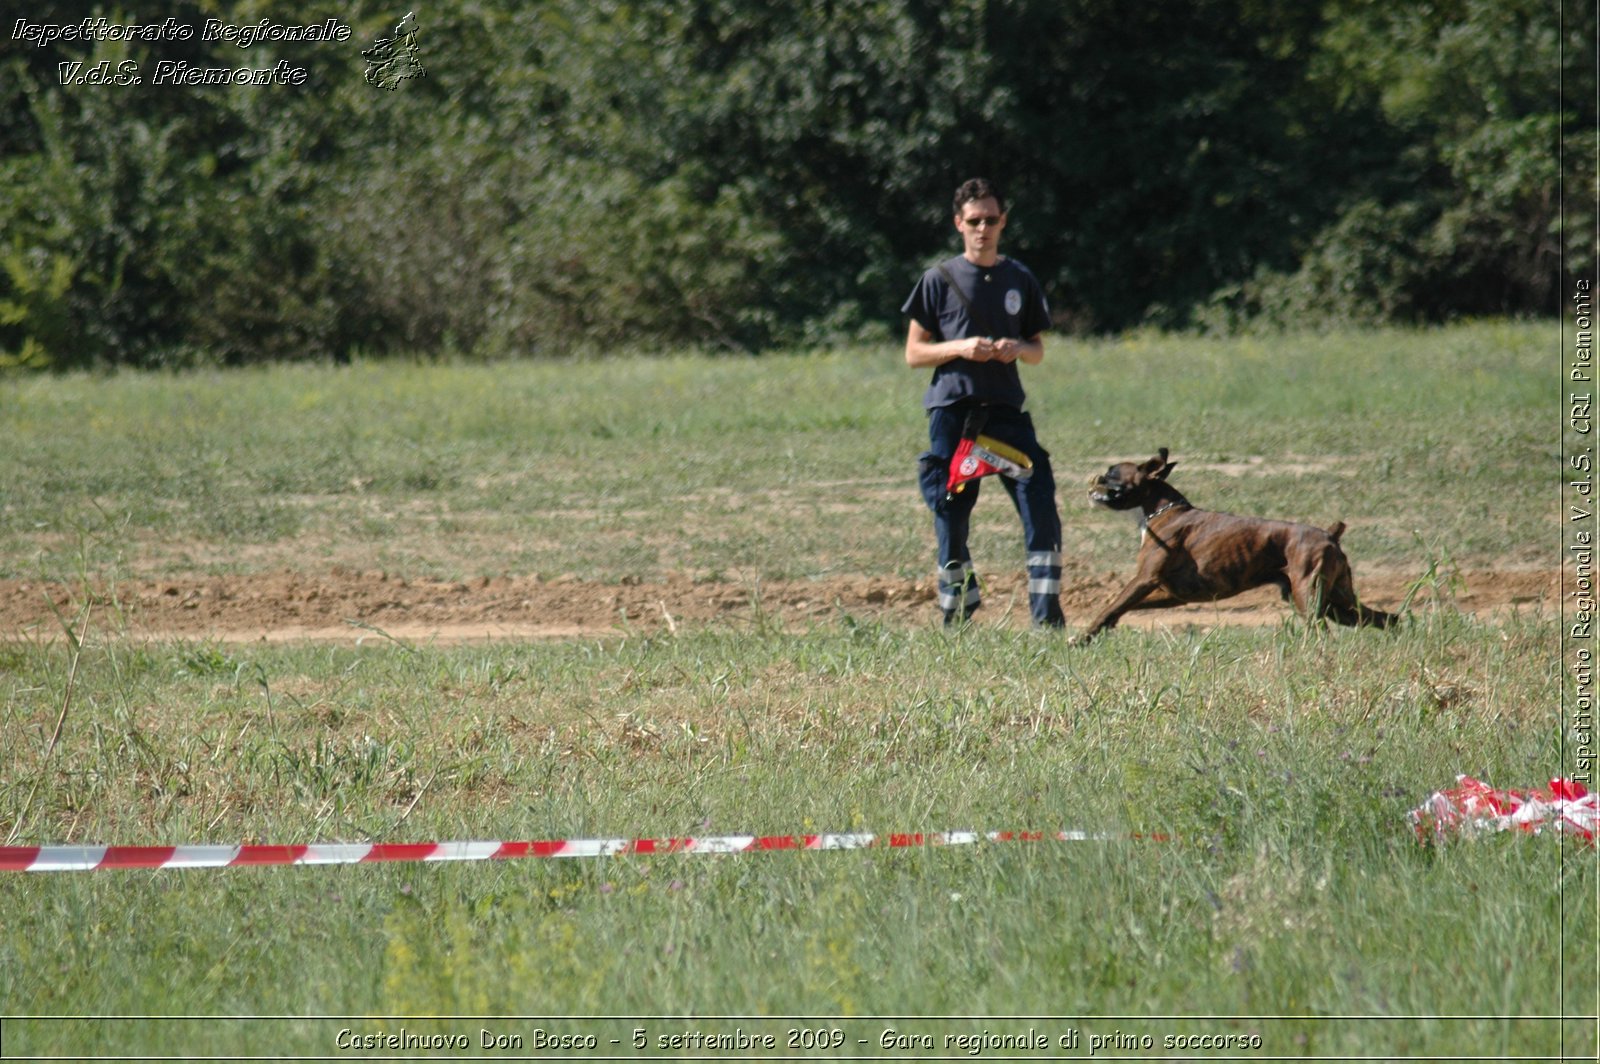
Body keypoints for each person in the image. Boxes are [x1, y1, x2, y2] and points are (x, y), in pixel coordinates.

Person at [902, 177, 1064, 628]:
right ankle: (958, 616)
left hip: (1006, 415)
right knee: (951, 514)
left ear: (1003, 221)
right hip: (954, 415)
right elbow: (914, 353)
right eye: (974, 220)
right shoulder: (938, 280)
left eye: (991, 219)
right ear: (959, 223)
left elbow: (1037, 350)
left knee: (1040, 500)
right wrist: (961, 348)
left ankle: (1046, 621)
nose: (983, 228)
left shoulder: (1019, 278)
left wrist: (1016, 348)